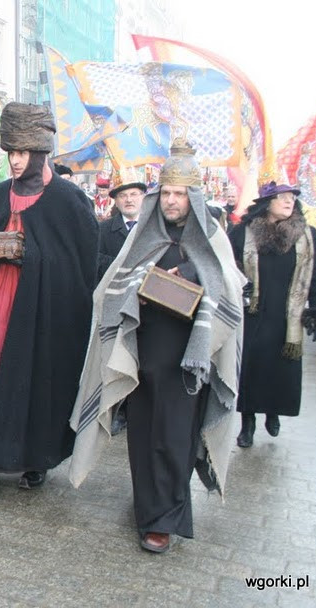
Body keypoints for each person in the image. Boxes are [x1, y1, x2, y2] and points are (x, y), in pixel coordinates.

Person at [69, 140, 246, 554]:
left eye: (179, 193)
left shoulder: (213, 237)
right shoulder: (144, 235)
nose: (171, 200)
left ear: (194, 196)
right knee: (144, 437)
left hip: (187, 361)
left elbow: (228, 294)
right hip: (142, 354)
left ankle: (165, 519)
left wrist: (186, 279)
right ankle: (150, 507)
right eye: (165, 192)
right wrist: (141, 287)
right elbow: (112, 287)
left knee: (173, 438)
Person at [0, 103, 98, 495]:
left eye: (22, 153)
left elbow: (80, 270)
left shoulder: (69, 202)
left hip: (44, 314)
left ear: (40, 153)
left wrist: (31, 256)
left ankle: (36, 459)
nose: (14, 161)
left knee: (37, 383)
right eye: (10, 152)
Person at [230, 180, 316, 448]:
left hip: (287, 317)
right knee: (249, 369)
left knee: (278, 370)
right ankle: (247, 423)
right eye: (282, 197)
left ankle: (273, 413)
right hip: (252, 313)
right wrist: (239, 280)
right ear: (266, 204)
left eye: (292, 198)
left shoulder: (307, 235)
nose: (289, 202)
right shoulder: (243, 233)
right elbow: (228, 266)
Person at [96, 168, 148, 435]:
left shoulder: (154, 229)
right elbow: (95, 263)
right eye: (124, 195)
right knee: (114, 357)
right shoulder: (104, 230)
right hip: (114, 306)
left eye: (135, 194)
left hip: (146, 306)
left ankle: (133, 409)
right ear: (115, 200)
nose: (129, 200)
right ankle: (116, 408)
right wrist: (125, 268)